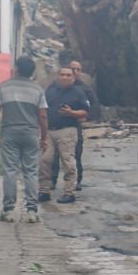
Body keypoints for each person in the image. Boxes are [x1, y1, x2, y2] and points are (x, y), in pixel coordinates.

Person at [0, 56, 48, 223]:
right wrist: (44, 137)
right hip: (31, 133)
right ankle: (32, 211)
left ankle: (9, 210)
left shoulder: (5, 86)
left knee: (10, 170)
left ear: (16, 69)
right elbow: (43, 116)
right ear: (32, 72)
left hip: (10, 132)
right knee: (31, 172)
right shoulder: (37, 89)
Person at [39, 67, 89, 204]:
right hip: (49, 131)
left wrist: (72, 113)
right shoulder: (50, 90)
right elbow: (42, 109)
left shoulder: (78, 92)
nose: (65, 77)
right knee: (44, 161)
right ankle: (44, 191)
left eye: (68, 75)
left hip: (67, 130)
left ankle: (69, 192)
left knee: (68, 162)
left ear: (73, 77)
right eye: (62, 75)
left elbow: (86, 112)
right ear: (58, 76)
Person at [50, 59, 99, 191]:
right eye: (73, 69)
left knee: (76, 154)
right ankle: (52, 180)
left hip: (74, 125)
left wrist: (85, 116)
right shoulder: (54, 87)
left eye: (78, 70)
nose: (75, 72)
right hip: (55, 126)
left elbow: (94, 104)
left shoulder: (84, 88)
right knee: (53, 155)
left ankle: (77, 180)